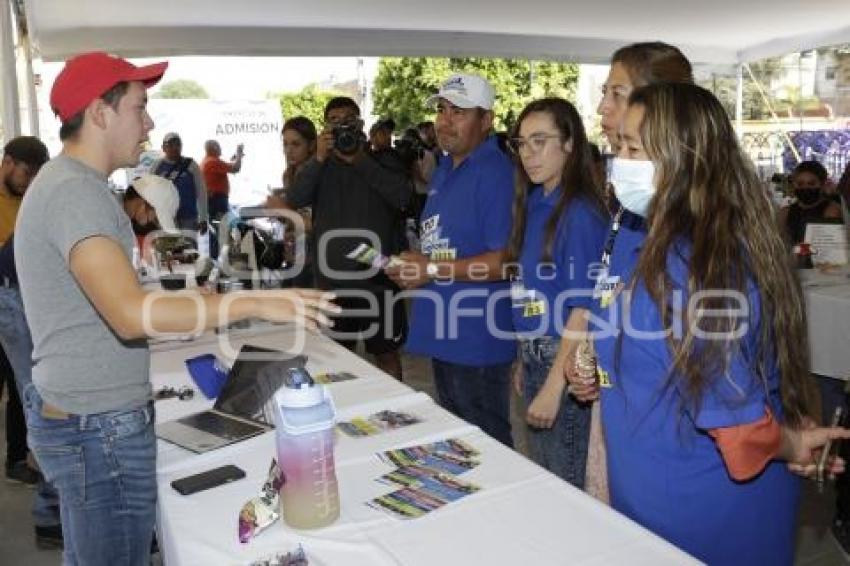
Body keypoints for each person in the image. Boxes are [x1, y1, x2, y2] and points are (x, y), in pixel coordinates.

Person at [15, 51, 337, 565]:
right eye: (139, 107)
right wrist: (256, 301)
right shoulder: (75, 192)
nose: (149, 122)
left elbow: (110, 301)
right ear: (99, 112)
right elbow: (126, 312)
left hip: (90, 417)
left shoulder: (72, 186)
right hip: (98, 426)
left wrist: (194, 300)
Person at [570, 81, 850, 564]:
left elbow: (740, 436)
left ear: (684, 160)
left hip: (700, 521)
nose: (620, 161)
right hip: (656, 503)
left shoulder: (693, 266)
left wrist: (791, 443)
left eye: (634, 148)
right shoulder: (661, 238)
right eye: (620, 146)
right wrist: (596, 359)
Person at [576, 41, 695, 501]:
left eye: (618, 94)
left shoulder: (689, 230)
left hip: (661, 437)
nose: (604, 108)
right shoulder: (632, 200)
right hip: (616, 410)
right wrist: (589, 357)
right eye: (605, 93)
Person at [385, 73, 516, 447]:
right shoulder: (446, 169)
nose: (444, 120)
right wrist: (416, 264)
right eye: (442, 110)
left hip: (477, 338)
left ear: (486, 120)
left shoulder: (494, 173)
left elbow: (504, 261)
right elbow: (450, 246)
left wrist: (430, 269)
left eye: (458, 112)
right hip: (445, 331)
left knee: (484, 447)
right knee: (458, 444)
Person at [506, 98, 608, 485]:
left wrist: (554, 384)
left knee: (565, 481)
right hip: (535, 349)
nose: (529, 154)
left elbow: (582, 306)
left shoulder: (579, 212)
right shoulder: (534, 201)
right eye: (521, 143)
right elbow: (530, 288)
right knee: (545, 474)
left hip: (563, 357)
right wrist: (522, 355)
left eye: (540, 141)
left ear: (569, 144)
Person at [278, 97, 412, 380]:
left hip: (378, 280)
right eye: (334, 122)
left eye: (348, 120)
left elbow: (404, 197)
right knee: (336, 358)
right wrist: (318, 158)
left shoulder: (382, 160)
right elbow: (295, 197)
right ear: (325, 129)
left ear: (361, 124)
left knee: (386, 354)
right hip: (333, 282)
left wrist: (360, 160)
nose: (342, 128)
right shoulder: (318, 167)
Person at [0, 136, 63, 549]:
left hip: (27, 295)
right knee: (36, 398)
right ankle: (48, 513)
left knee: (37, 396)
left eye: (35, 174)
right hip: (8, 297)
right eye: (24, 171)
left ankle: (49, 510)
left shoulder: (30, 198)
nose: (28, 180)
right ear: (7, 162)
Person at [151, 131, 208, 231]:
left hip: (189, 218)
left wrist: (203, 218)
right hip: (165, 218)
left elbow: (201, 192)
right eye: (171, 145)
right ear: (163, 147)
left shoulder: (191, 164)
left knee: (189, 245)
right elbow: (150, 193)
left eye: (178, 144)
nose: (175, 148)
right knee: (170, 246)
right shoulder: (157, 166)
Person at [780, 160, 843, 245]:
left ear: (822, 184)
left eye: (811, 183)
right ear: (794, 185)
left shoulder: (832, 210)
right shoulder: (785, 212)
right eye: (800, 184)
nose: (805, 188)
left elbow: (831, 247)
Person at [201, 139, 243, 221]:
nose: (221, 149)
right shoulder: (213, 162)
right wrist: (239, 154)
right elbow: (235, 168)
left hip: (211, 199)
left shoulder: (206, 161)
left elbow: (227, 166)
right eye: (219, 146)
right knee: (222, 224)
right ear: (214, 148)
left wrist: (236, 158)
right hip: (217, 200)